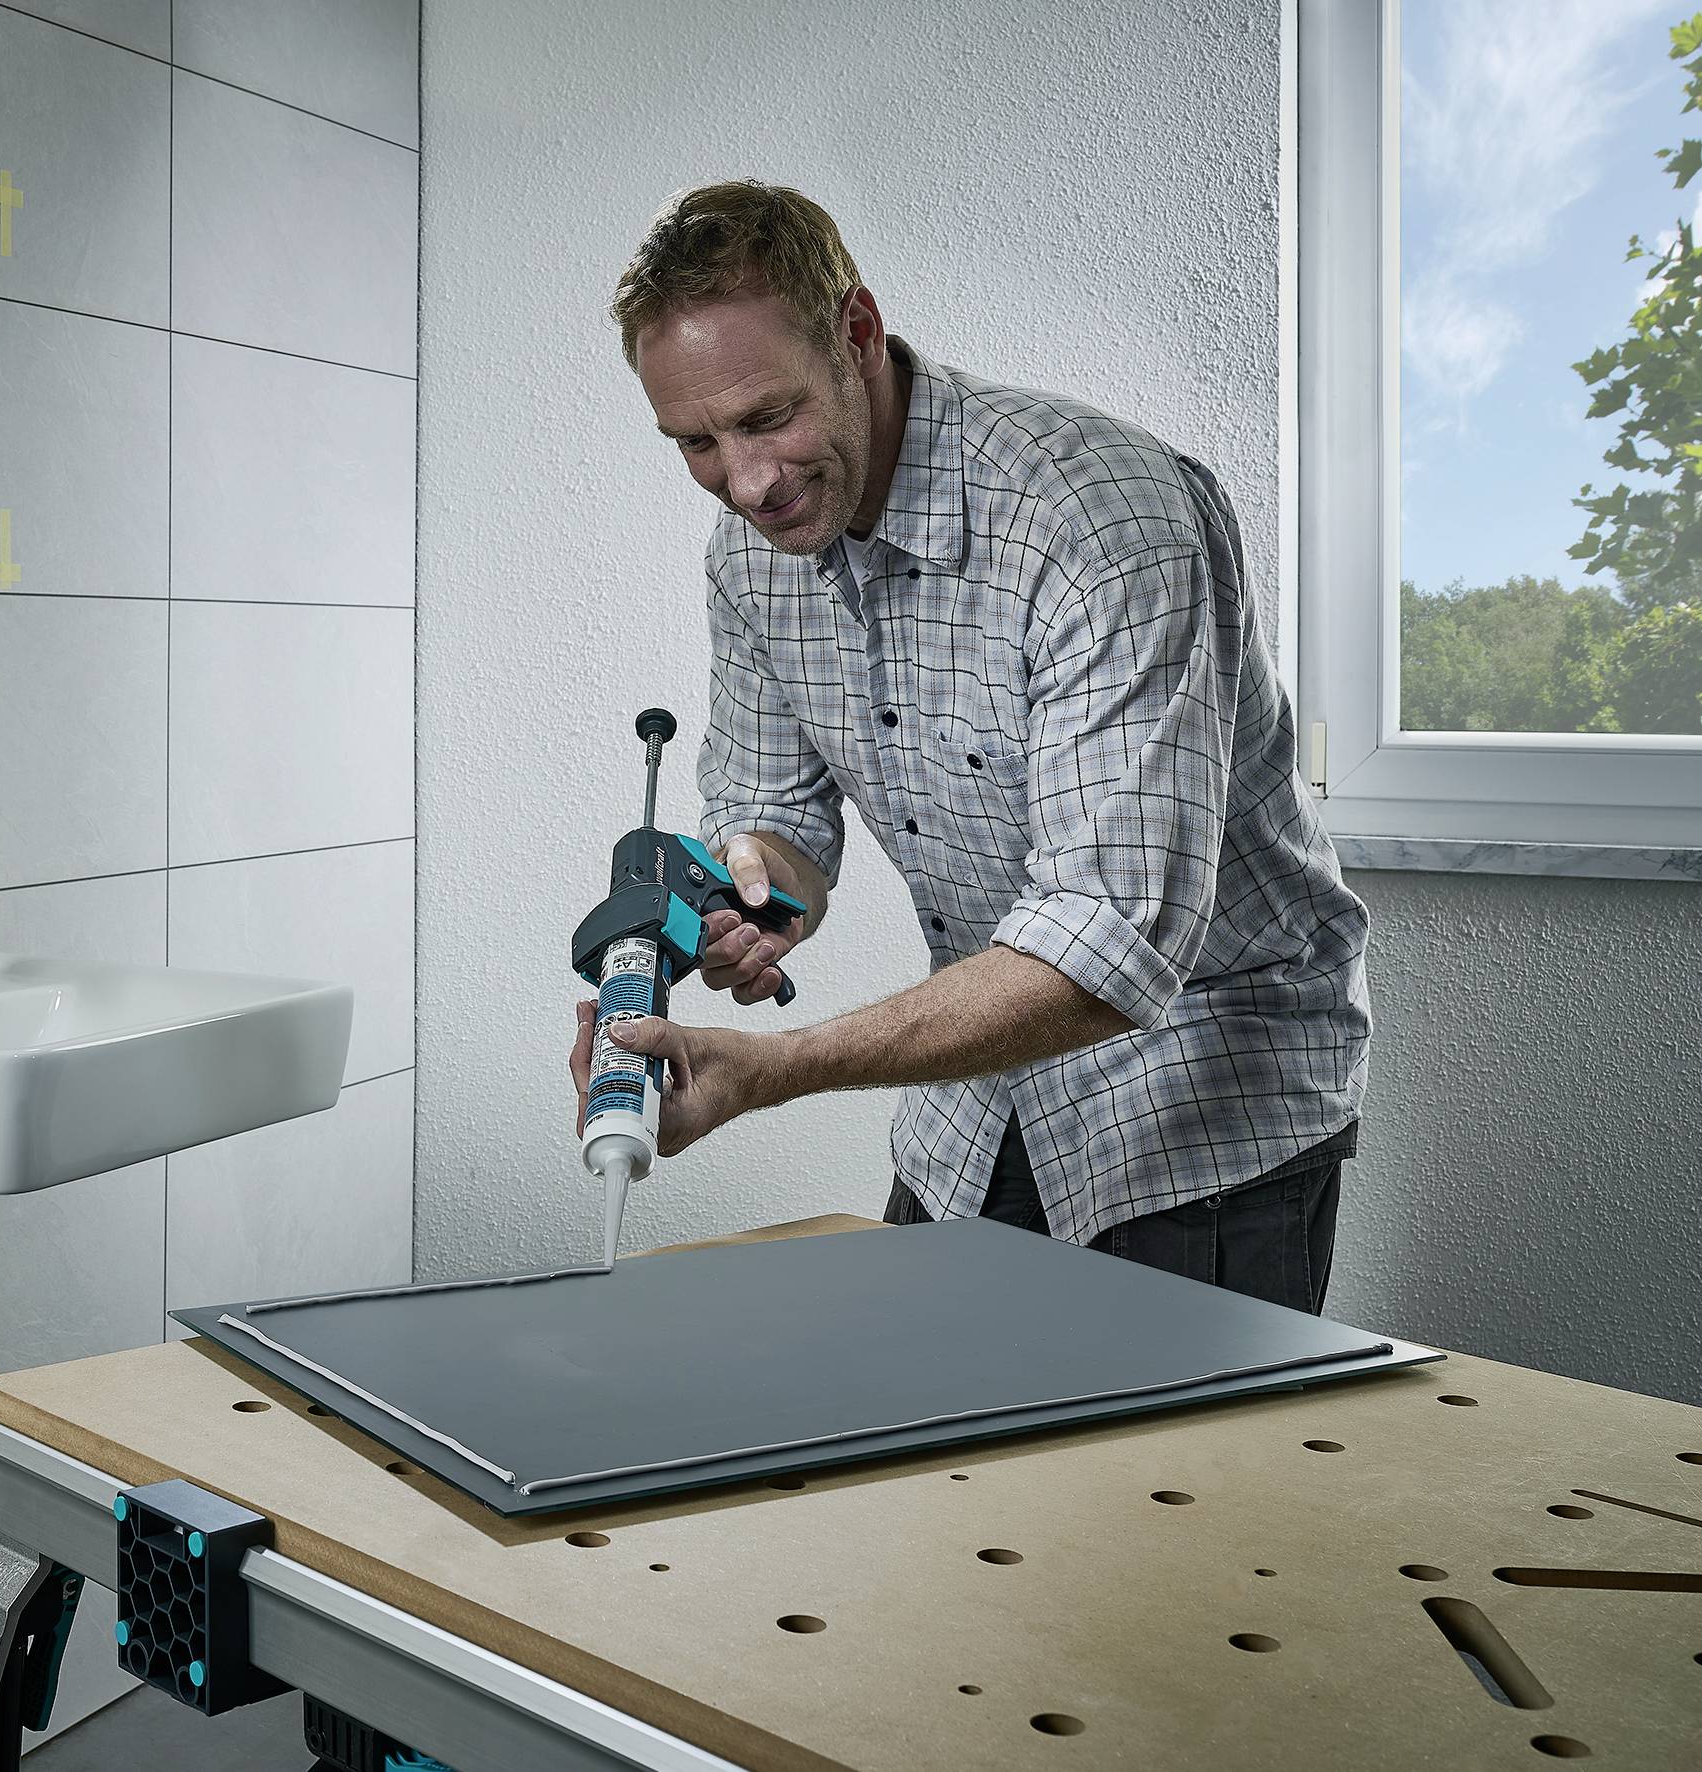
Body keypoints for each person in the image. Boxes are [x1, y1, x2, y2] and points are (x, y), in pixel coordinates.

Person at [570, 181, 1371, 1312]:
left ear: (855, 332)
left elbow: (1106, 938)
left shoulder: (1094, 517)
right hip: (970, 1105)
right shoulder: (750, 555)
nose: (744, 481)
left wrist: (773, 1070)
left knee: (1164, 1491)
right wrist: (745, 892)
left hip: (1197, 1111)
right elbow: (774, 809)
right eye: (693, 442)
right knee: (933, 1473)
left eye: (764, 418)